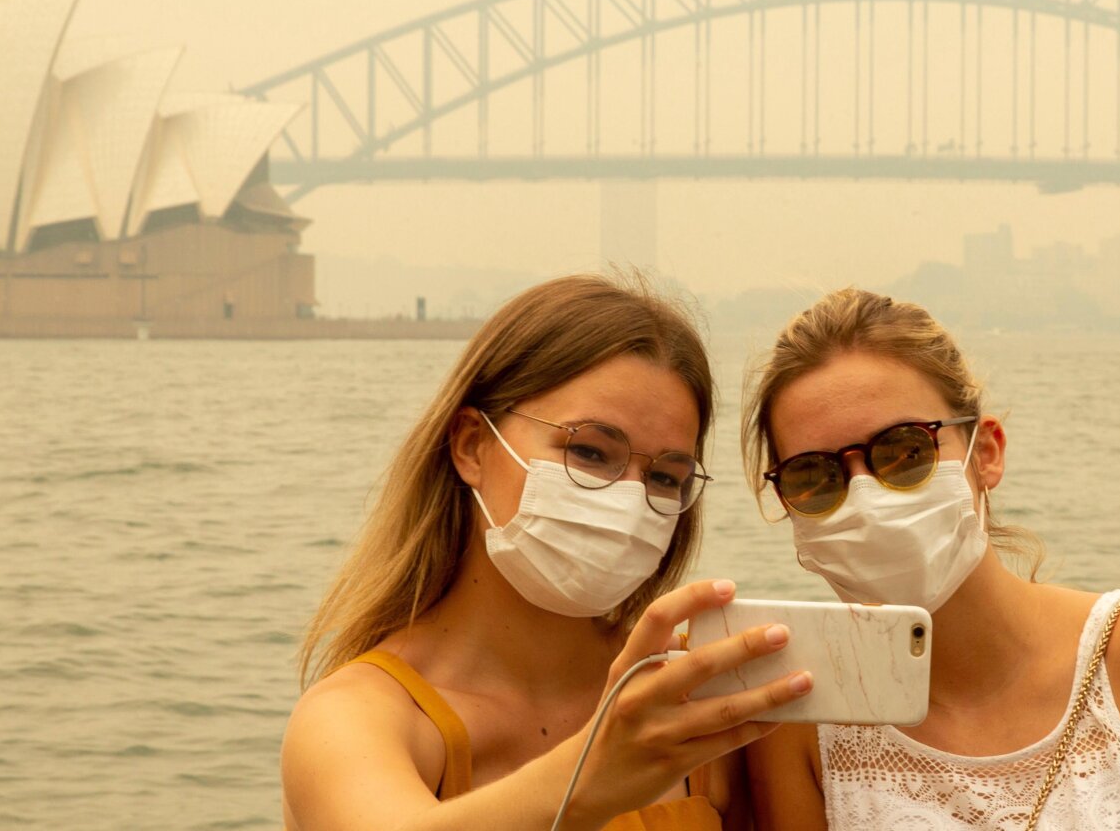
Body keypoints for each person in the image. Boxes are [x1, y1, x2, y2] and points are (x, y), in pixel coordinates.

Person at [741, 289, 1120, 829]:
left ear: (986, 453)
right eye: (813, 476)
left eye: (904, 451)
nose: (866, 495)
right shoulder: (796, 720)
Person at [282, 274, 811, 831]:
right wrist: (590, 777)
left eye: (665, 476)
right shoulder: (357, 717)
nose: (629, 497)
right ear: (471, 445)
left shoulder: (694, 697)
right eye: (590, 452)